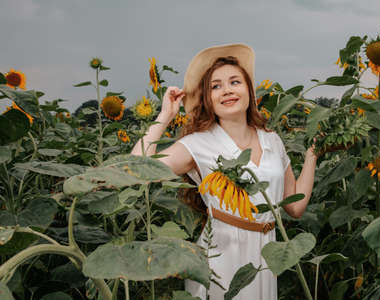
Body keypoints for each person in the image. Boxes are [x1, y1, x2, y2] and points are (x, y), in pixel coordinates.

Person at [131, 43, 317, 300]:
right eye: (215, 86)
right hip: (222, 256)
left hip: (266, 254)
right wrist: (165, 115)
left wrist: (312, 156)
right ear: (207, 99)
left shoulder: (271, 139)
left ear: (249, 90)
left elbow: (295, 207)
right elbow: (136, 169)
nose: (226, 90)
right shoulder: (198, 144)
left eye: (234, 82)